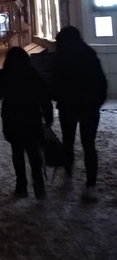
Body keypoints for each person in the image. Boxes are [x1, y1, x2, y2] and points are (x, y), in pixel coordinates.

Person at [0, 47, 53, 199]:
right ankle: (38, 182)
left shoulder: (4, 74)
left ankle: (21, 186)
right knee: (33, 152)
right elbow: (44, 95)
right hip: (32, 118)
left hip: (12, 119)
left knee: (17, 152)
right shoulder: (33, 73)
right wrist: (48, 116)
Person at [52, 26, 108, 201]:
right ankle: (91, 184)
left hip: (69, 106)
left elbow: (55, 83)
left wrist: (56, 97)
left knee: (68, 141)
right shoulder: (89, 54)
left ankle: (68, 172)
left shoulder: (61, 58)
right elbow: (102, 83)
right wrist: (96, 102)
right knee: (88, 145)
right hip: (89, 108)